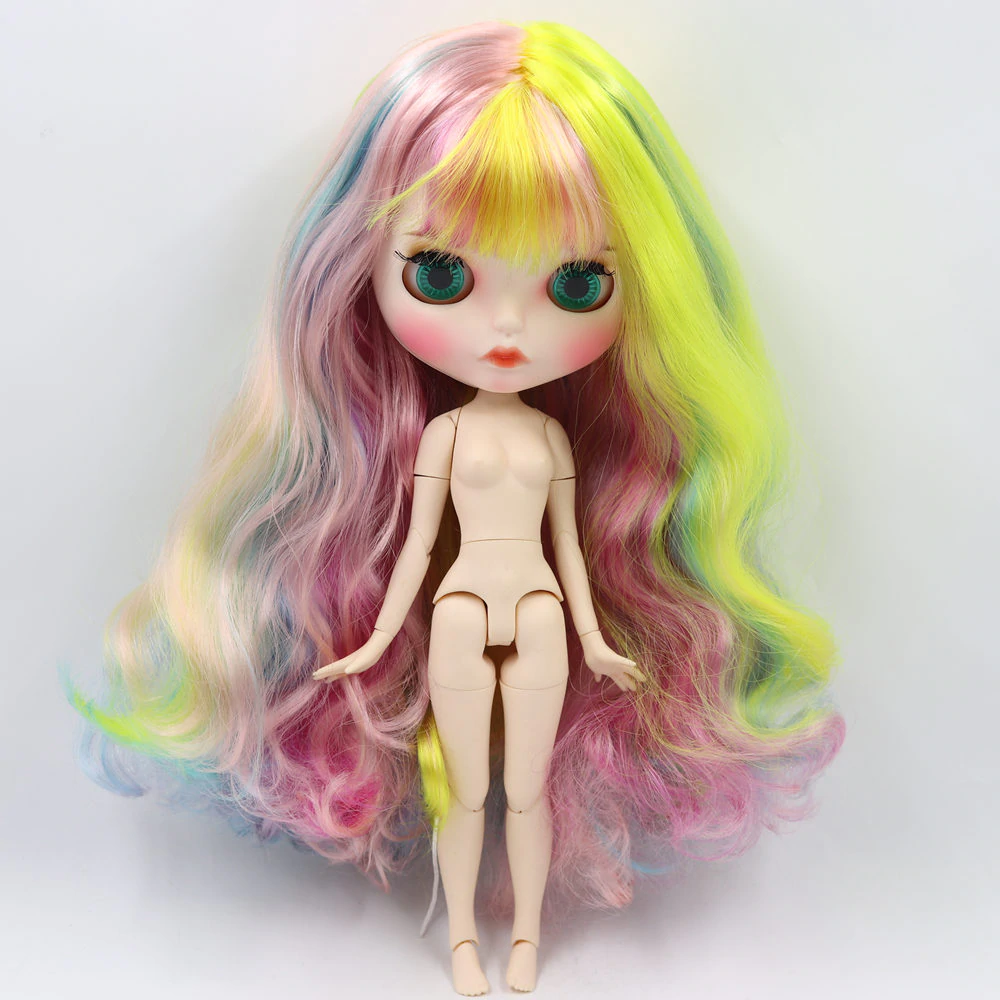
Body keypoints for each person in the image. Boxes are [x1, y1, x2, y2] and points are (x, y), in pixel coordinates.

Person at [64, 21, 845, 997]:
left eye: (575, 282)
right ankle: (466, 942)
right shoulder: (442, 439)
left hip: (540, 614)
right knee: (465, 791)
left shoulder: (552, 441)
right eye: (442, 274)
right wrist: (369, 637)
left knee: (524, 791)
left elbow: (569, 551)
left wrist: (597, 639)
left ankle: (523, 942)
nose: (507, 328)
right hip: (464, 610)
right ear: (355, 269)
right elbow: (418, 548)